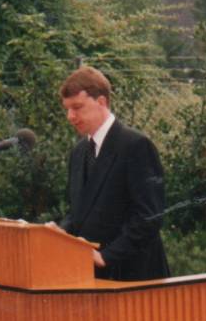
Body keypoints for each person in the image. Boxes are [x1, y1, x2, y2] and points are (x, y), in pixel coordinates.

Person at [56, 66, 170, 281]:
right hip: (89, 276)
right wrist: (59, 232)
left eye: (77, 107)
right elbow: (79, 212)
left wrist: (106, 256)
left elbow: (149, 217)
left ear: (101, 102)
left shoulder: (136, 145)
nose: (70, 116)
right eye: (67, 109)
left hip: (134, 277)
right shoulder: (79, 152)